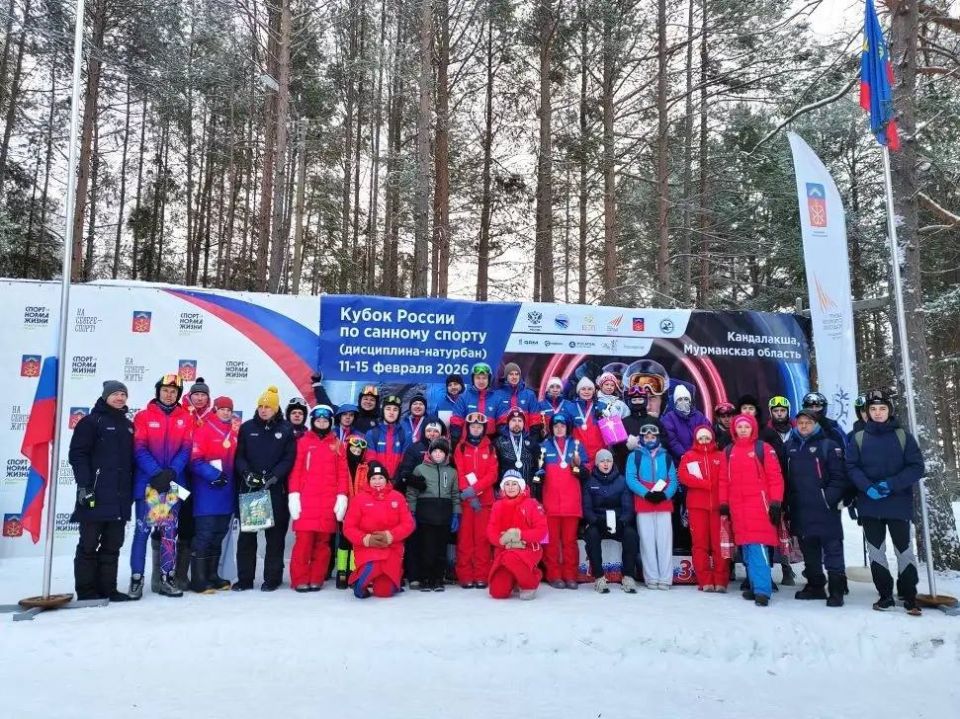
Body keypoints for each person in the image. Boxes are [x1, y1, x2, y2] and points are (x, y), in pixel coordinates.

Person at [846, 390, 925, 615]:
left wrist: (890, 485)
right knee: (876, 552)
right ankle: (885, 596)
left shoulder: (903, 436)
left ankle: (909, 596)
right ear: (867, 413)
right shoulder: (859, 438)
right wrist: (867, 487)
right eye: (873, 409)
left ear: (889, 411)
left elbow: (917, 467)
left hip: (898, 504)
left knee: (904, 551)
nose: (877, 413)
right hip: (870, 505)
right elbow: (851, 467)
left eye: (882, 409)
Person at [68, 380, 135, 602]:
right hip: (95, 495)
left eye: (123, 395)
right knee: (88, 545)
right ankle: (87, 592)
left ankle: (108, 589)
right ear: (105, 396)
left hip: (120, 497)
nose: (120, 398)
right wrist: (84, 486)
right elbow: (78, 455)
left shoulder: (128, 425)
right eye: (115, 394)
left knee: (112, 545)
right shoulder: (90, 422)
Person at [130, 373, 193, 599]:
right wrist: (156, 473)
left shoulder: (185, 418)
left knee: (169, 533)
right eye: (165, 390)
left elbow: (186, 448)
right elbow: (139, 448)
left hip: (174, 484)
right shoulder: (143, 416)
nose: (169, 394)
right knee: (142, 532)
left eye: (174, 391)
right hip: (150, 484)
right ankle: (136, 578)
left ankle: (167, 578)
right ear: (158, 391)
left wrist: (172, 472)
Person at [233, 385, 297, 591]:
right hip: (252, 490)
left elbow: (289, 458)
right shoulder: (247, 427)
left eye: (268, 406)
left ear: (276, 408)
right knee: (247, 538)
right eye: (261, 406)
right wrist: (246, 473)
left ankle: (272, 579)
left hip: (275, 489)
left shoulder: (286, 429)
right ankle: (245, 580)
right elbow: (239, 456)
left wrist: (275, 476)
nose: (263, 409)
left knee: (275, 538)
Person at [784, 409, 849, 607]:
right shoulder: (789, 446)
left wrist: (828, 499)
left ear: (816, 424)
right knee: (809, 550)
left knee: (832, 549)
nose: (804, 426)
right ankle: (816, 585)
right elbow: (784, 478)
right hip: (801, 507)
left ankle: (836, 590)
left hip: (825, 508)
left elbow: (839, 477)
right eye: (801, 422)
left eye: (808, 422)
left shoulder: (828, 445)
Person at [719, 414, 784, 607]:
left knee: (758, 549)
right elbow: (723, 479)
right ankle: (755, 586)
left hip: (759, 507)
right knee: (746, 550)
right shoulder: (728, 451)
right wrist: (723, 502)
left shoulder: (763, 449)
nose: (743, 430)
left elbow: (775, 477)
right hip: (738, 508)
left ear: (753, 428)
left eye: (747, 427)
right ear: (734, 429)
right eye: (740, 427)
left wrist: (775, 502)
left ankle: (763, 590)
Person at [287, 405, 350, 592]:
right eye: (318, 420)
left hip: (328, 502)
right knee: (303, 543)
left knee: (323, 545)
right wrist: (294, 495)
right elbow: (296, 471)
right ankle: (299, 579)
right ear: (313, 421)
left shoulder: (338, 444)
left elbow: (343, 473)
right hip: (307, 501)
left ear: (330, 423)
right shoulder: (303, 442)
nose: (321, 423)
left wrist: (342, 497)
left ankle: (316, 578)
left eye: (325, 421)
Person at [738, 393, 794, 586]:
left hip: (764, 497)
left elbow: (778, 468)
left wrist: (779, 498)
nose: (747, 412)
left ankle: (766, 574)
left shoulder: (768, 434)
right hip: (741, 497)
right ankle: (749, 574)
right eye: (744, 408)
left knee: (766, 535)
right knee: (744, 535)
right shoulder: (734, 433)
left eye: (751, 408)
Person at [188, 395, 239, 593]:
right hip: (207, 492)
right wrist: (213, 475)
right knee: (205, 535)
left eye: (229, 409)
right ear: (215, 409)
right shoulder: (204, 429)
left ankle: (212, 575)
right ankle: (198, 579)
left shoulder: (234, 432)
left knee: (218, 535)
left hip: (226, 493)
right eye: (222, 409)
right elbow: (194, 460)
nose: (226, 412)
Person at [343, 461, 415, 599]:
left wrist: (391, 536)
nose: (377, 481)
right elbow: (349, 528)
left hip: (391, 547)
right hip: (367, 549)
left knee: (384, 592)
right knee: (372, 566)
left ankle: (386, 580)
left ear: (386, 479)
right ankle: (360, 581)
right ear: (368, 480)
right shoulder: (359, 499)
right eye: (373, 478)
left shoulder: (397, 497)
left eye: (381, 478)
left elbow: (408, 524)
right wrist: (366, 539)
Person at [537, 413, 588, 589]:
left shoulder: (576, 446)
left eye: (563, 425)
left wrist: (579, 468)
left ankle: (570, 575)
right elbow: (538, 472)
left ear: (568, 427)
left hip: (571, 502)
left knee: (569, 542)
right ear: (551, 428)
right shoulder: (543, 446)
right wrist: (539, 476)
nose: (559, 428)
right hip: (550, 502)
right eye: (556, 425)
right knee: (551, 543)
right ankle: (554, 575)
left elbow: (586, 470)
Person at [625, 423, 678, 590]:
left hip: (663, 503)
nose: (649, 439)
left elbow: (673, 480)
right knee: (647, 542)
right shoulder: (635, 456)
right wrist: (646, 493)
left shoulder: (666, 456)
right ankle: (651, 577)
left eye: (652, 437)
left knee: (664, 541)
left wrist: (665, 494)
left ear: (657, 438)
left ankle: (665, 578)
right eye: (646, 437)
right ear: (641, 438)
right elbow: (631, 478)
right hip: (644, 503)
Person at [173, 376, 213, 591]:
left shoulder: (214, 417)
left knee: (201, 526)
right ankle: (176, 575)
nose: (199, 398)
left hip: (204, 479)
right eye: (196, 394)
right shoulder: (180, 414)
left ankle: (199, 574)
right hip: (181, 477)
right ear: (189, 396)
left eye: (203, 394)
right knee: (180, 524)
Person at [407, 438, 461, 591]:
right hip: (426, 514)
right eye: (435, 451)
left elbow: (455, 494)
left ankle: (437, 578)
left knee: (440, 549)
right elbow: (412, 492)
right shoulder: (420, 469)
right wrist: (412, 511)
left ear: (445, 454)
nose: (438, 454)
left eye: (441, 452)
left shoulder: (452, 472)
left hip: (444, 514)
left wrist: (456, 514)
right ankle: (425, 578)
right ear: (430, 453)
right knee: (427, 548)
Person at [678, 425, 727, 592]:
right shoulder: (689, 456)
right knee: (700, 545)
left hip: (718, 507)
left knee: (719, 545)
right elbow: (683, 476)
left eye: (707, 437)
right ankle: (704, 580)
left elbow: (725, 478)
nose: (704, 441)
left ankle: (720, 580)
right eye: (701, 438)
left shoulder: (720, 456)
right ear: (696, 439)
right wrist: (704, 484)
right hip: (697, 506)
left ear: (712, 438)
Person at [582, 448, 639, 593]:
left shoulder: (622, 481)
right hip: (598, 522)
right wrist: (595, 521)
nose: (605, 464)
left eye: (608, 461)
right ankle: (599, 577)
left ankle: (628, 576)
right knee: (592, 535)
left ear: (613, 463)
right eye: (602, 461)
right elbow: (587, 507)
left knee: (631, 535)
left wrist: (623, 521)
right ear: (597, 464)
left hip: (618, 521)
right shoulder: (590, 482)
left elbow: (628, 506)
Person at [486, 471, 548, 600]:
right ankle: (515, 578)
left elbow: (542, 531)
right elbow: (491, 531)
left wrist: (520, 534)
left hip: (528, 549)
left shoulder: (532, 504)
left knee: (510, 558)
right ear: (503, 487)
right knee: (498, 592)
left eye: (514, 484)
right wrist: (502, 540)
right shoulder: (497, 506)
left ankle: (530, 582)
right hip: (505, 550)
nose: (510, 487)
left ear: (521, 486)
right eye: (507, 484)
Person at [453, 413, 498, 588]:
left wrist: (476, 489)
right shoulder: (461, 448)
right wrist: (470, 495)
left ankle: (481, 575)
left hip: (484, 502)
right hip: (466, 502)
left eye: (480, 427)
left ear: (484, 429)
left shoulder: (491, 448)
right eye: (473, 427)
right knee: (465, 540)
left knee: (482, 540)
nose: (476, 429)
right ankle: (465, 576)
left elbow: (493, 474)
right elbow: (460, 471)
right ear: (468, 428)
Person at [335, 435, 372, 589]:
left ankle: (353, 571)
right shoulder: (341, 464)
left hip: (359, 512)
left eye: (360, 448)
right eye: (353, 447)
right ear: (347, 447)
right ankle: (341, 572)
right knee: (343, 543)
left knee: (355, 543)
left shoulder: (365, 467)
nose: (356, 450)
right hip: (344, 509)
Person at [493, 409, 542, 495]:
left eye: (520, 421)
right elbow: (495, 468)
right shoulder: (498, 442)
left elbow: (537, 466)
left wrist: (535, 486)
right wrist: (497, 487)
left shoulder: (532, 442)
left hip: (528, 490)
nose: (517, 423)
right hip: (507, 491)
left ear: (524, 424)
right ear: (508, 422)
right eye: (513, 420)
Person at [614, 386, 663, 471]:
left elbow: (665, 439)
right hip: (630, 465)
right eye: (634, 400)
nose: (637, 402)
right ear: (629, 401)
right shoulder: (624, 422)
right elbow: (617, 446)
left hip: (653, 465)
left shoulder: (653, 420)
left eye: (640, 399)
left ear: (645, 400)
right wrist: (627, 447)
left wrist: (654, 445)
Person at [364, 394, 410, 481]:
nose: (391, 412)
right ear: (383, 411)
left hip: (397, 481)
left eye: (395, 409)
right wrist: (381, 477)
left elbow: (405, 460)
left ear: (399, 413)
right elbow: (371, 458)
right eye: (388, 409)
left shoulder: (405, 434)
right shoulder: (372, 433)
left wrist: (399, 477)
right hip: (378, 481)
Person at [661, 385, 709, 465]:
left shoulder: (698, 415)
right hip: (680, 461)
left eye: (686, 399)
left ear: (690, 401)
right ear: (675, 402)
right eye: (680, 399)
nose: (683, 402)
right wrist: (683, 455)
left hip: (701, 458)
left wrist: (699, 453)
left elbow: (707, 432)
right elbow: (672, 441)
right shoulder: (669, 418)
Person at [450, 362, 498, 442]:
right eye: (478, 378)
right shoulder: (463, 398)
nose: (481, 381)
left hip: (490, 444)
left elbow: (501, 424)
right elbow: (456, 421)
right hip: (467, 442)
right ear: (473, 379)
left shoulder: (496, 399)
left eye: (484, 378)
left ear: (489, 380)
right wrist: (456, 440)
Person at [492, 362, 542, 436]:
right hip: (504, 438)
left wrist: (531, 438)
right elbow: (497, 420)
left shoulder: (529, 394)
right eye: (511, 374)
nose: (514, 377)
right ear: (506, 376)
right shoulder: (497, 395)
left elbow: (535, 420)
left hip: (525, 438)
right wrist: (505, 437)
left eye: (517, 374)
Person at [570, 377, 606, 471]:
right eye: (583, 389)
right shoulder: (570, 407)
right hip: (580, 453)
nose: (586, 392)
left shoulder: (602, 406)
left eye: (590, 389)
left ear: (594, 391)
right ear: (578, 391)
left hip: (599, 452)